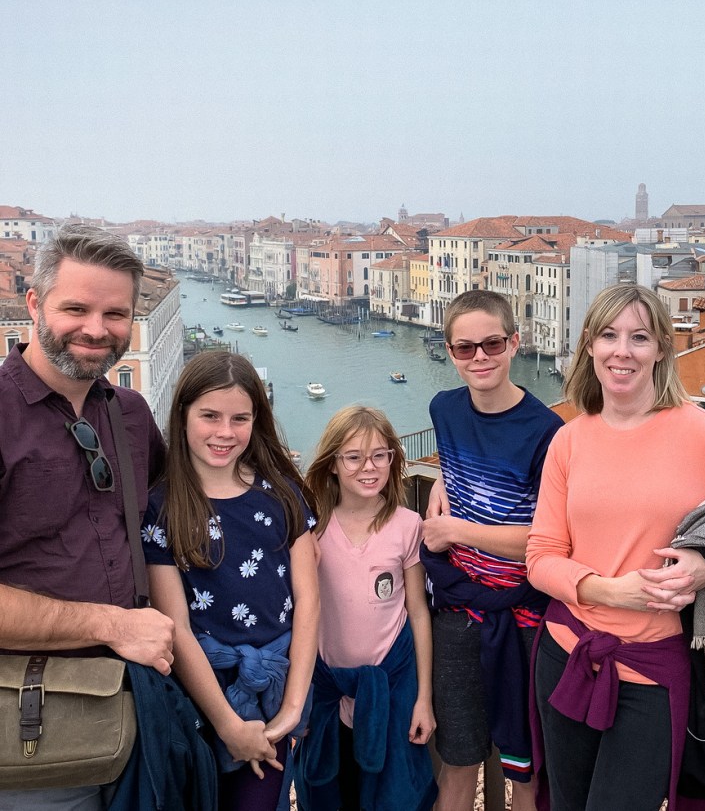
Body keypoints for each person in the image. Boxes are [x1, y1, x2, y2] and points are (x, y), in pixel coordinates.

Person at [525, 283, 705, 811]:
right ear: (590, 345)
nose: (622, 351)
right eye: (609, 335)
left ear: (662, 348)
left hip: (653, 670)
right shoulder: (569, 439)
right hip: (566, 652)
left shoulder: (704, 433)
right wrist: (609, 591)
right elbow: (541, 556)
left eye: (639, 337)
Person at [0, 224, 175, 810]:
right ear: (34, 304)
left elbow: (171, 516)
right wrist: (112, 625)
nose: (97, 330)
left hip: (138, 703)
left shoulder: (131, 413)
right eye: (76, 309)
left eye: (115, 313)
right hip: (32, 725)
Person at [141, 351, 319, 811]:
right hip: (198, 698)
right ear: (183, 415)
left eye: (240, 419)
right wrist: (228, 724)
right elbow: (176, 626)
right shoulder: (160, 507)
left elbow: (309, 602)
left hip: (273, 690)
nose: (225, 432)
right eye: (210, 416)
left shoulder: (283, 494)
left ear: (257, 421)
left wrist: (293, 708)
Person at [422, 290, 564, 811]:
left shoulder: (548, 432)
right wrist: (443, 480)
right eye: (465, 348)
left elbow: (544, 539)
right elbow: (459, 462)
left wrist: (455, 530)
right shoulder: (444, 409)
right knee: (458, 760)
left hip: (525, 619)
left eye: (492, 344)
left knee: (527, 771)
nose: (479, 357)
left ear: (514, 343)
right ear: (450, 351)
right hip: (459, 613)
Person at [295, 406, 437, 811]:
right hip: (327, 688)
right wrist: (297, 699)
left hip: (392, 686)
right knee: (334, 790)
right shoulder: (312, 528)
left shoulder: (408, 525)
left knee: (394, 792)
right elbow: (299, 609)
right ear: (332, 463)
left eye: (380, 455)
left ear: (393, 458)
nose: (369, 467)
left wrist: (423, 698)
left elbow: (418, 612)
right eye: (354, 457)